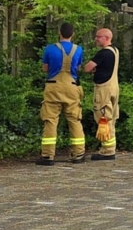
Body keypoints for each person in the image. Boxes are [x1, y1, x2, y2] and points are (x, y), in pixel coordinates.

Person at [37, 22, 85, 166]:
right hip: (72, 87)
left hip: (53, 87)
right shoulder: (78, 49)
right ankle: (79, 154)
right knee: (74, 120)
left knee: (50, 120)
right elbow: (78, 68)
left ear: (59, 33)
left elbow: (45, 68)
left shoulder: (49, 49)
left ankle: (47, 156)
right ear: (73, 34)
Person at [83, 28, 120, 161]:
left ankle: (107, 151)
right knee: (111, 119)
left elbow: (87, 68)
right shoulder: (115, 51)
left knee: (103, 118)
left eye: (98, 37)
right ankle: (111, 147)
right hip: (114, 87)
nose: (96, 39)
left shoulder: (103, 53)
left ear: (106, 38)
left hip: (103, 89)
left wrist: (90, 68)